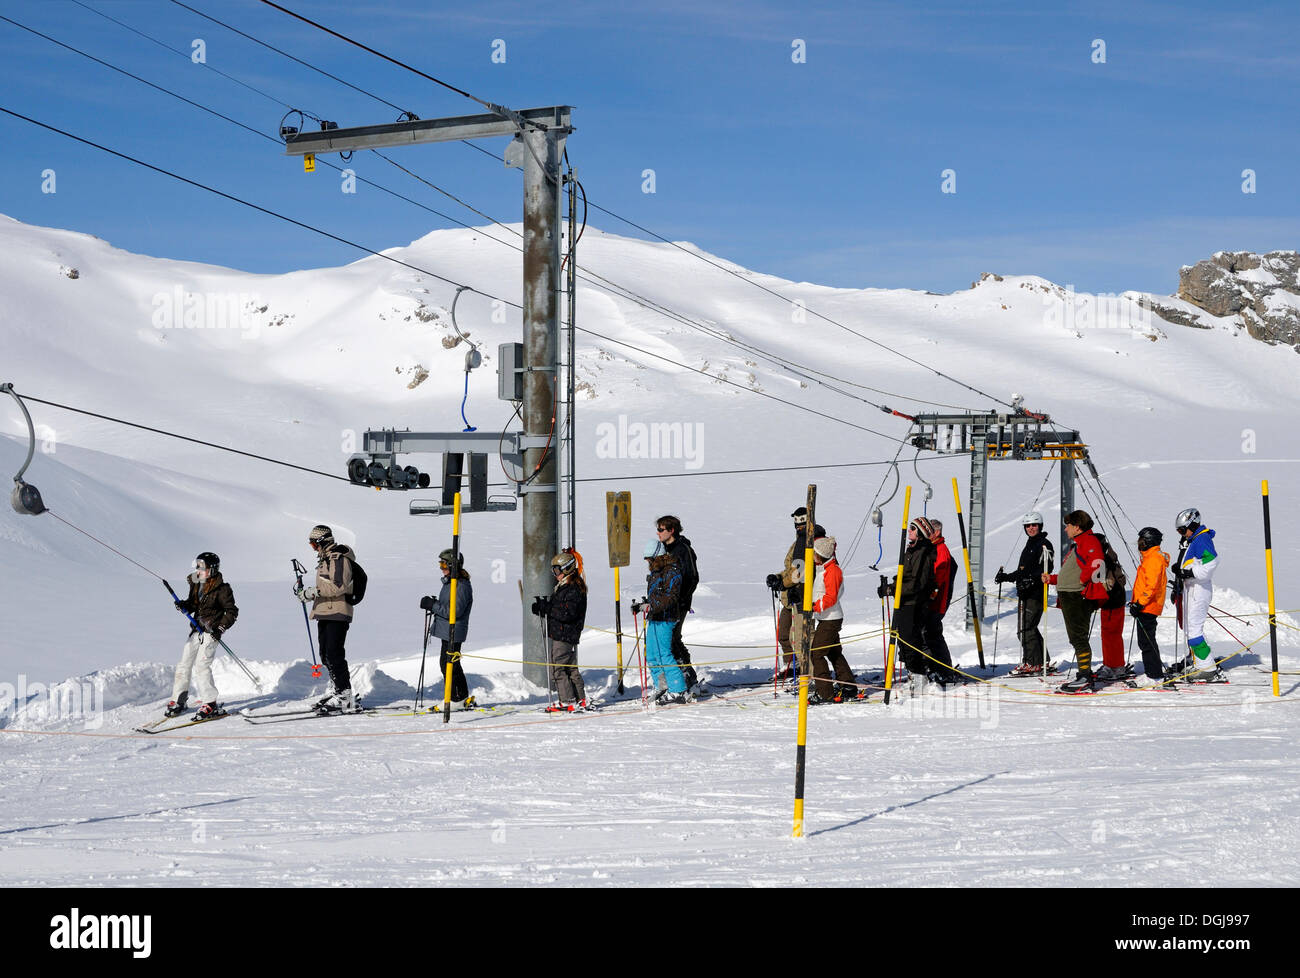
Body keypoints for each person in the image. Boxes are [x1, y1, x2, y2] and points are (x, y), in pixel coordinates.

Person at [297, 525, 364, 713]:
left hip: (338, 610)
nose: (312, 548)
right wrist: (308, 593)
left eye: (313, 543)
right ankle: (338, 690)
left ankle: (345, 696)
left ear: (322, 541)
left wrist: (313, 592)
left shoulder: (338, 558)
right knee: (325, 654)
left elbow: (338, 586)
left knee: (334, 654)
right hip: (324, 610)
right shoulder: (326, 558)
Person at [166, 551, 238, 718]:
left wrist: (220, 628)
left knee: (201, 665)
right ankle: (179, 699)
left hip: (211, 632)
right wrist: (184, 605)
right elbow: (194, 604)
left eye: (201, 567)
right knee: (184, 663)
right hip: (197, 629)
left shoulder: (223, 589)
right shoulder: (197, 583)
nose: (198, 570)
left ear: (211, 569)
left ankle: (210, 703)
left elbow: (232, 612)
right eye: (197, 567)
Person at [1045, 510, 1108, 692]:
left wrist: (1082, 580)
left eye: (1068, 526)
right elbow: (1073, 570)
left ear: (1077, 527)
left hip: (1077, 596)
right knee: (1076, 638)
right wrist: (1054, 579)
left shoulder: (1089, 541)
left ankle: (1085, 676)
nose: (1066, 530)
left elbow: (1098, 562)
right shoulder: (1079, 544)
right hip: (1070, 595)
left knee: (1078, 637)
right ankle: (1083, 674)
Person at [766, 507, 824, 681]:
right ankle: (794, 665)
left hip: (801, 596)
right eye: (796, 523)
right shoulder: (800, 540)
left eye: (802, 523)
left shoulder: (807, 540)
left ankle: (813, 676)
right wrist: (778, 577)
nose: (798, 526)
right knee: (784, 635)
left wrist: (782, 583)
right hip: (790, 596)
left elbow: (799, 572)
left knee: (802, 639)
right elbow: (793, 568)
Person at [994, 511, 1055, 676]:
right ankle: (1042, 661)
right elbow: (1023, 572)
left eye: (1034, 525)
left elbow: (1047, 568)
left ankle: (1033, 663)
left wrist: (1032, 579)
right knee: (1029, 628)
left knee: (1025, 629)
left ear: (1040, 526)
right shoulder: (1030, 544)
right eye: (1028, 525)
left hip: (1035, 594)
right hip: (1025, 593)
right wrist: (1006, 577)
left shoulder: (1043, 544)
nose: (1031, 528)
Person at [1169, 507, 1222, 680]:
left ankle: (1206, 668)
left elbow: (1211, 563)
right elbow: (1190, 562)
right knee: (1189, 627)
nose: (1181, 533)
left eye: (1182, 530)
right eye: (1178, 531)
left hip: (1199, 589)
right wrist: (1180, 573)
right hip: (1190, 588)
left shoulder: (1202, 539)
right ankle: (1199, 660)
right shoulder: (1192, 539)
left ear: (1192, 524)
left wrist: (1189, 573)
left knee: (1193, 627)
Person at [532, 551, 589, 711]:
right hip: (563, 632)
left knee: (557, 668)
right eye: (553, 571)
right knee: (570, 667)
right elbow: (560, 607)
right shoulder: (566, 586)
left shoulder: (573, 588)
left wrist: (547, 608)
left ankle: (567, 700)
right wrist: (544, 606)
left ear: (567, 568)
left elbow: (567, 612)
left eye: (557, 571)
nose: (555, 574)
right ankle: (580, 699)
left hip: (565, 634)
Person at [883, 516, 937, 683]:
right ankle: (912, 673)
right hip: (905, 601)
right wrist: (890, 586)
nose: (910, 531)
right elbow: (905, 576)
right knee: (903, 639)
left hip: (915, 603)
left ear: (920, 533)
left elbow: (916, 583)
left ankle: (919, 675)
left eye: (913, 528)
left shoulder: (923, 553)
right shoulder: (911, 550)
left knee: (910, 640)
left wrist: (894, 589)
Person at [420, 548, 475, 708]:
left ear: (453, 566)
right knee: (449, 663)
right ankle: (460, 697)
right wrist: (434, 603)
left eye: (444, 565)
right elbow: (448, 606)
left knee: (449, 664)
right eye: (440, 565)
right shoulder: (451, 583)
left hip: (454, 630)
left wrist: (433, 605)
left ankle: (457, 698)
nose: (442, 568)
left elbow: (455, 611)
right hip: (447, 630)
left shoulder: (461, 585)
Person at [808, 536, 855, 702]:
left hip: (831, 619)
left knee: (817, 653)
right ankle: (848, 685)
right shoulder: (824, 568)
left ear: (821, 555)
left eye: (814, 553)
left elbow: (831, 597)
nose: (812, 556)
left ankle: (825, 692)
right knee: (834, 652)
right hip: (827, 618)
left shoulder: (832, 571)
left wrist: (813, 606)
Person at [656, 515, 699, 690]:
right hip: (667, 602)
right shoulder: (664, 549)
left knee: (673, 638)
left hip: (679, 603)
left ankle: (687, 676)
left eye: (661, 529)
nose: (658, 533)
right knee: (671, 639)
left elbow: (692, 577)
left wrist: (681, 599)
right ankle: (683, 675)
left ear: (671, 530)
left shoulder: (683, 550)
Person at [642, 539, 688, 704]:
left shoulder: (672, 571)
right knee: (651, 654)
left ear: (658, 556)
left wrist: (650, 605)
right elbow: (656, 595)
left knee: (664, 654)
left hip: (667, 617)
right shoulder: (656, 572)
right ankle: (661, 685)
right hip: (655, 617)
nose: (648, 562)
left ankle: (678, 690)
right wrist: (643, 605)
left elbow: (671, 596)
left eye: (650, 559)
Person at [1129, 526, 1170, 685]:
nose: (1139, 544)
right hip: (1146, 605)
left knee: (1147, 641)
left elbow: (1151, 586)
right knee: (1146, 640)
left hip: (1148, 606)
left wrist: (1139, 603)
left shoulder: (1153, 559)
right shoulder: (1149, 558)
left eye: (1141, 541)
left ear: (1148, 542)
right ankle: (1152, 672)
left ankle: (1154, 675)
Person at [920, 518, 960, 682]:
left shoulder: (941, 551)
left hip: (937, 602)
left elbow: (938, 579)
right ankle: (939, 667)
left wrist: (928, 597)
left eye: (929, 531)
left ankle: (942, 669)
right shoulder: (932, 549)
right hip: (934, 601)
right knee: (929, 633)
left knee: (931, 634)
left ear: (936, 532)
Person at [1093, 532, 1131, 681]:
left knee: (1112, 635)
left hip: (1113, 601)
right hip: (1111, 601)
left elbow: (1105, 584)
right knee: (1107, 634)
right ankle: (1110, 664)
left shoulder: (1104, 559)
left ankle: (1116, 666)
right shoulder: (1106, 556)